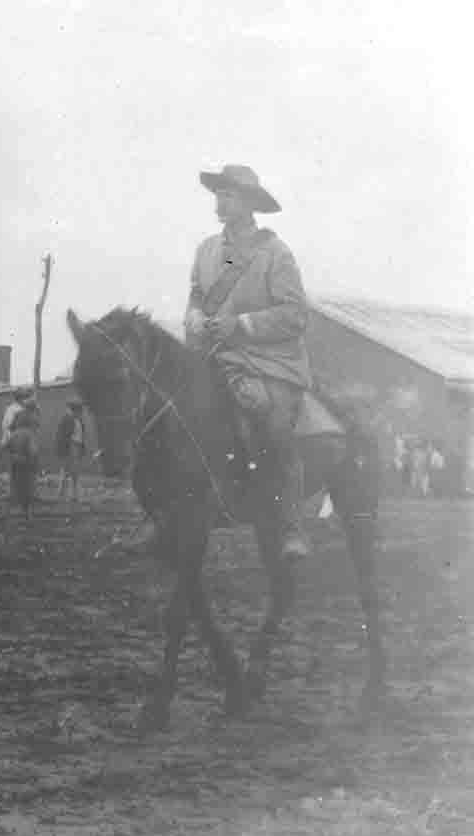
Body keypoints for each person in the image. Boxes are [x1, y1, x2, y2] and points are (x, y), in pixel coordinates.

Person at [183, 164, 313, 563]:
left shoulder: (276, 253)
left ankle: (292, 525)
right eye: (218, 193)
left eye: (229, 194)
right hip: (216, 355)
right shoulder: (206, 250)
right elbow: (195, 296)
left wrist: (241, 324)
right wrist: (192, 319)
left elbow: (295, 314)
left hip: (269, 361)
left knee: (272, 423)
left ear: (250, 203)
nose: (220, 201)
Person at [55, 400, 86, 503]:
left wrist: (81, 448)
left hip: (75, 447)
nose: (80, 412)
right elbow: (62, 437)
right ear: (75, 410)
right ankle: (63, 496)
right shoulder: (68, 419)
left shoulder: (78, 420)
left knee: (73, 473)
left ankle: (72, 496)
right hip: (70, 447)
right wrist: (64, 450)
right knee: (67, 472)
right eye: (79, 410)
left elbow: (81, 437)